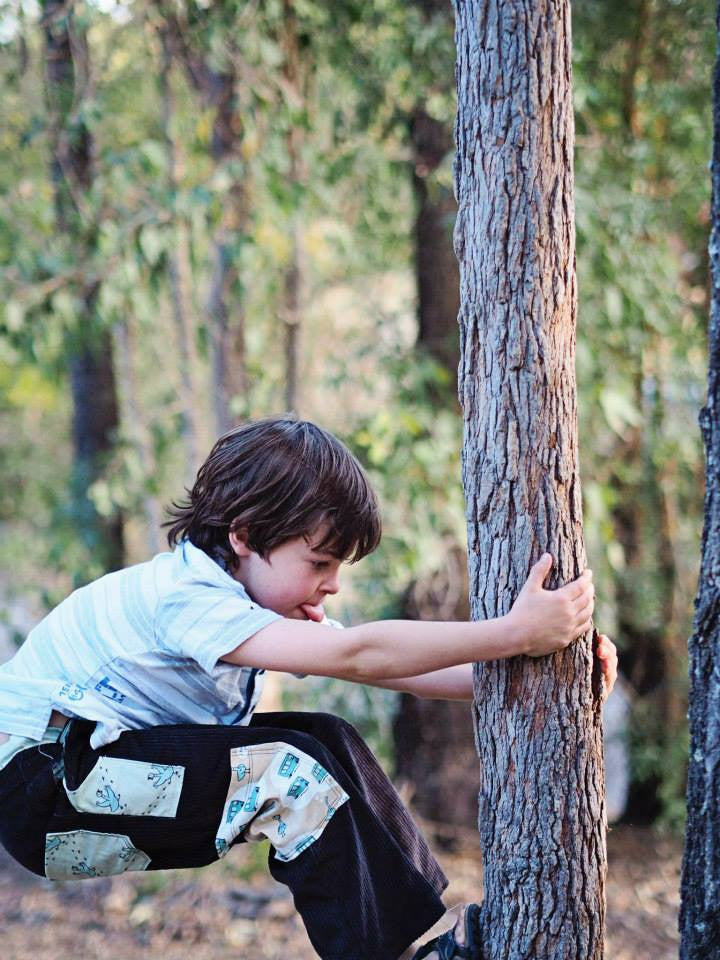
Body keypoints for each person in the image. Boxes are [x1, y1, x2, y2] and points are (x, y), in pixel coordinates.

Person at [0, 417, 616, 960]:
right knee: (285, 771)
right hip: (44, 792)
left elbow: (392, 669)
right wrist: (511, 633)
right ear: (244, 535)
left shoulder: (238, 599)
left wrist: (551, 680)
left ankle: (414, 945)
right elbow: (361, 653)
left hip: (99, 768)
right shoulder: (186, 598)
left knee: (327, 741)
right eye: (318, 564)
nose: (332, 586)